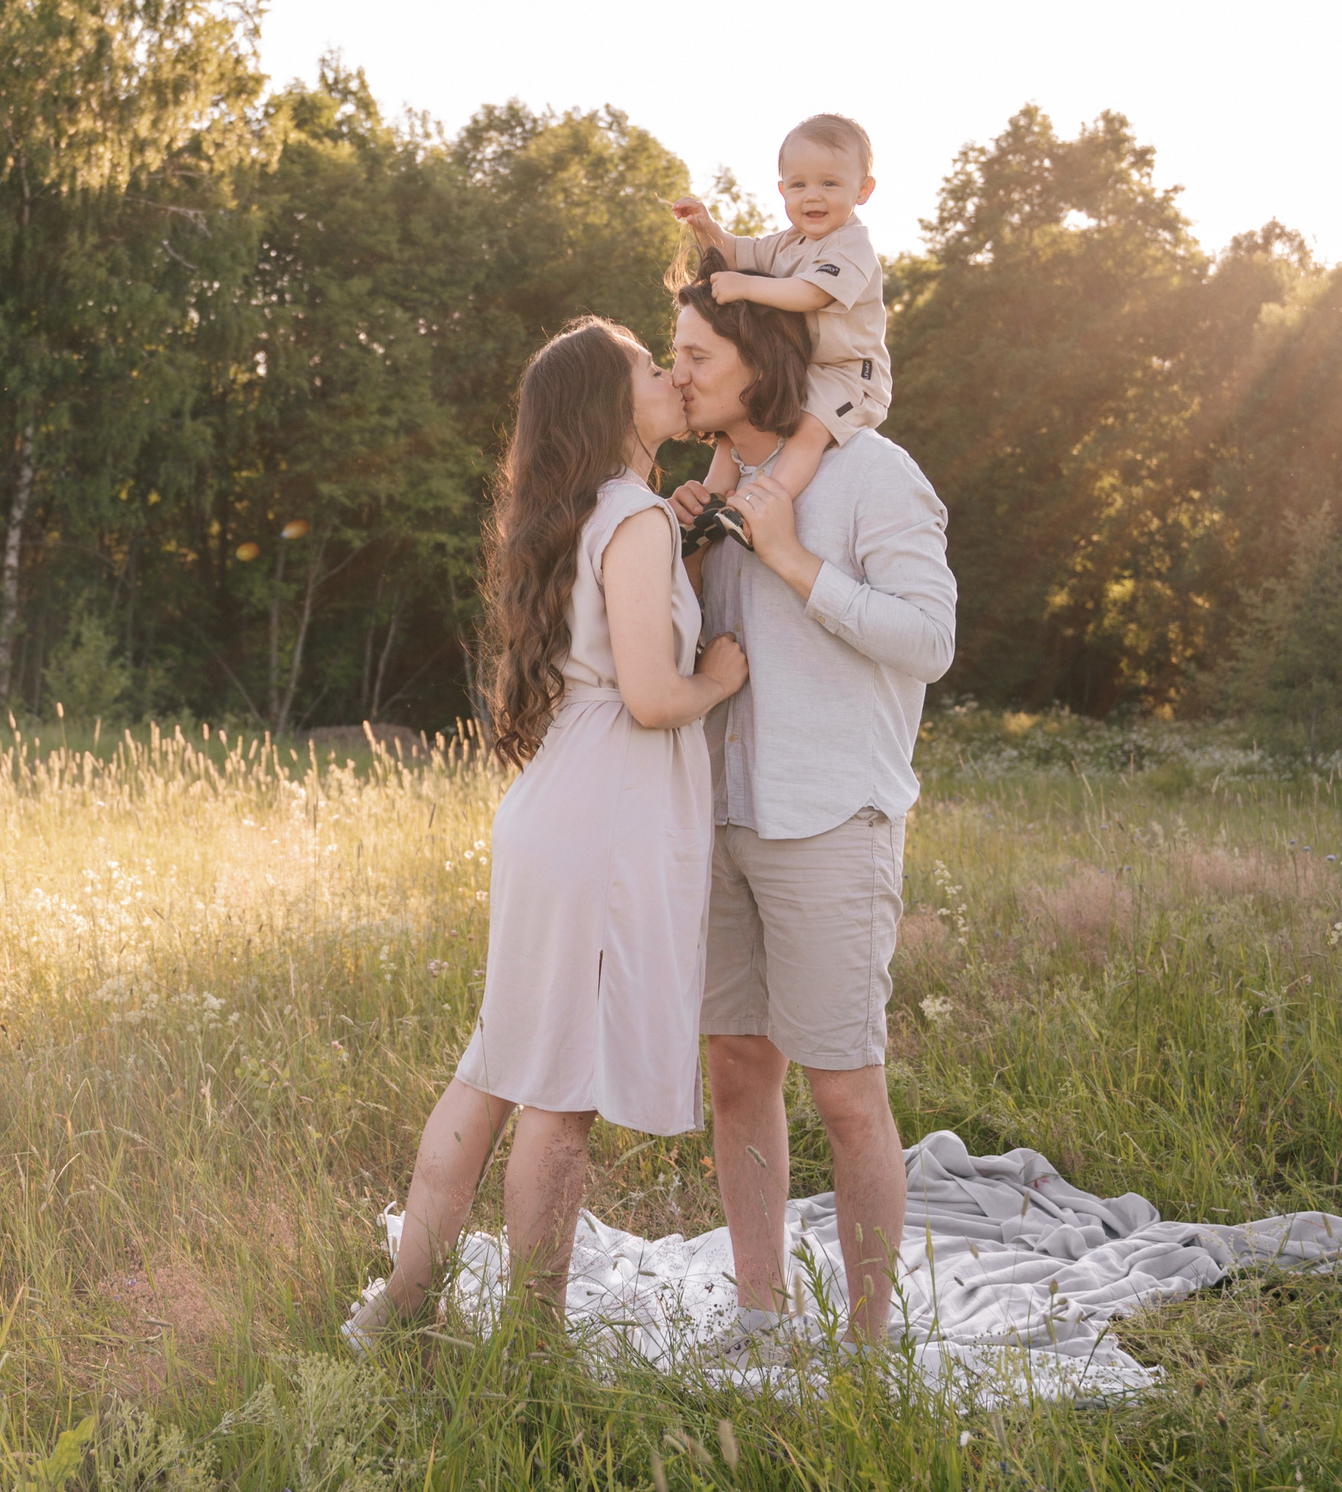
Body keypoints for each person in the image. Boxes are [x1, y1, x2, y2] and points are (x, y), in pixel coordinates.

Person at [344, 318, 748, 1349]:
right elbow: (654, 694)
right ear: (612, 408)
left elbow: (614, 654)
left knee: (496, 1067)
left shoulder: (593, 514)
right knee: (560, 1094)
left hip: (555, 808)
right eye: (650, 368)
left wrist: (685, 538)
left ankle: (402, 1303)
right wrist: (722, 674)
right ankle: (534, 1339)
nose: (670, 376)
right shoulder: (633, 517)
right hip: (603, 822)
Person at [668, 260, 957, 1347]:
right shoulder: (700, 485)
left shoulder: (873, 474)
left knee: (844, 1091)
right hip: (718, 815)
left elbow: (929, 640)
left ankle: (870, 1343)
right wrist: (679, 548)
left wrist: (789, 560)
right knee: (736, 1071)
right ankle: (759, 1312)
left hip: (831, 815)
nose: (677, 371)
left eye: (698, 354)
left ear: (763, 359)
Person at [668, 115, 889, 534]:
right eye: (799, 184)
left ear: (863, 190)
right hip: (803, 367)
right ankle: (710, 509)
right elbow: (738, 252)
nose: (813, 196)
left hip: (849, 374)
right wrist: (707, 226)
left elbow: (811, 294)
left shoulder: (851, 246)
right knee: (741, 421)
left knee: (808, 429)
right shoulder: (790, 242)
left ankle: (761, 506)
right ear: (782, 189)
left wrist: (746, 286)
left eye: (830, 183)